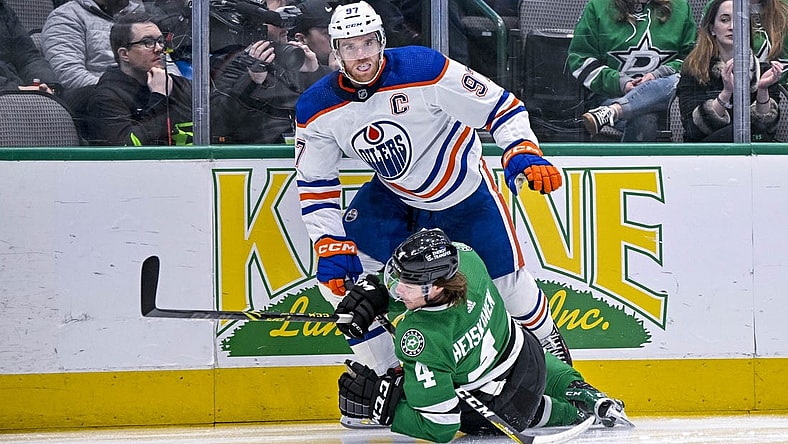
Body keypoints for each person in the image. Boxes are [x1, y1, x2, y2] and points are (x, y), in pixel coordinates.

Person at [294, 0, 572, 386]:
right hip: (395, 200)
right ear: (336, 52)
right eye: (351, 47)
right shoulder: (316, 107)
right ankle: (391, 375)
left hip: (464, 197)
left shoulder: (424, 68)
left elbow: (501, 106)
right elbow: (315, 183)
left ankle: (561, 370)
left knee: (511, 290)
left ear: (382, 40)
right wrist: (327, 241)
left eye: (368, 44)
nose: (362, 56)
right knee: (341, 281)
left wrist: (521, 148)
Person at [334, 229, 629, 442]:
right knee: (523, 355)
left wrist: (383, 408)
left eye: (407, 285)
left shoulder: (419, 336)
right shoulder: (467, 258)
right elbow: (414, 288)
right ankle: (586, 394)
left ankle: (569, 413)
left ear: (436, 287)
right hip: (529, 356)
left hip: (500, 404)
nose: (398, 289)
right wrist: (377, 293)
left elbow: (441, 426)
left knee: (536, 408)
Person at [567, 0, 697, 141]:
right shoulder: (597, 6)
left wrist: (658, 75)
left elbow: (693, 60)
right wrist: (620, 82)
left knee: (676, 80)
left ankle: (613, 111)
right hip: (610, 98)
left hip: (669, 104)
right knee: (644, 120)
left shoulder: (681, 7)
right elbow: (580, 61)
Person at [210, 0, 332, 144]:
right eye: (278, 15)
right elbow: (218, 126)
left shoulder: (296, 57)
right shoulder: (230, 63)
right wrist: (251, 82)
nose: (287, 23)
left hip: (303, 154)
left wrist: (314, 73)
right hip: (257, 159)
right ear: (253, 21)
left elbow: (333, 114)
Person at [677, 0, 783, 141]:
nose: (733, 27)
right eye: (724, 20)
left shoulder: (763, 72)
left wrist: (762, 90)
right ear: (712, 29)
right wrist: (726, 93)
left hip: (754, 155)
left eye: (739, 21)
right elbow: (692, 129)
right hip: (706, 154)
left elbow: (766, 131)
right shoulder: (694, 70)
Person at [83, 11, 192, 145]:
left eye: (160, 41)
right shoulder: (107, 98)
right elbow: (126, 151)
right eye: (147, 42)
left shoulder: (179, 85)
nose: (159, 48)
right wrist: (159, 98)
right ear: (124, 54)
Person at [41, 0, 141, 92]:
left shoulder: (138, 14)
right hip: (98, 97)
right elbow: (69, 74)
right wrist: (123, 90)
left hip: (143, 92)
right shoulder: (65, 17)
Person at [0, 0, 60, 95]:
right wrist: (16, 88)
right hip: (8, 91)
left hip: (22, 87)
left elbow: (28, 57)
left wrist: (46, 85)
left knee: (91, 96)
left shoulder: (3, 10)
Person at [290, 0, 341, 70]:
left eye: (337, 31)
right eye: (328, 34)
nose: (336, 39)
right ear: (301, 39)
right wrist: (332, 75)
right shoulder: (292, 73)